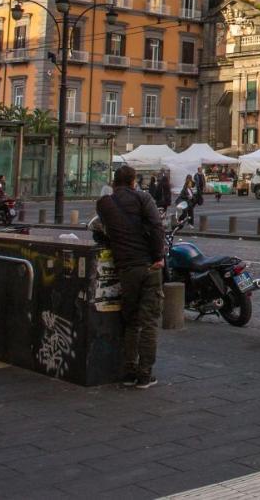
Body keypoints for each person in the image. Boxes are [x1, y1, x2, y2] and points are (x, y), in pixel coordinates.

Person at [96, 165, 165, 389]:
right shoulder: (143, 198)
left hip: (126, 268)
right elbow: (156, 226)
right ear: (133, 181)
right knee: (149, 322)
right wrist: (158, 256)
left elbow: (103, 230)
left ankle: (129, 370)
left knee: (131, 321)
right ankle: (145, 374)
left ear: (116, 181)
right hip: (147, 265)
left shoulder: (104, 204)